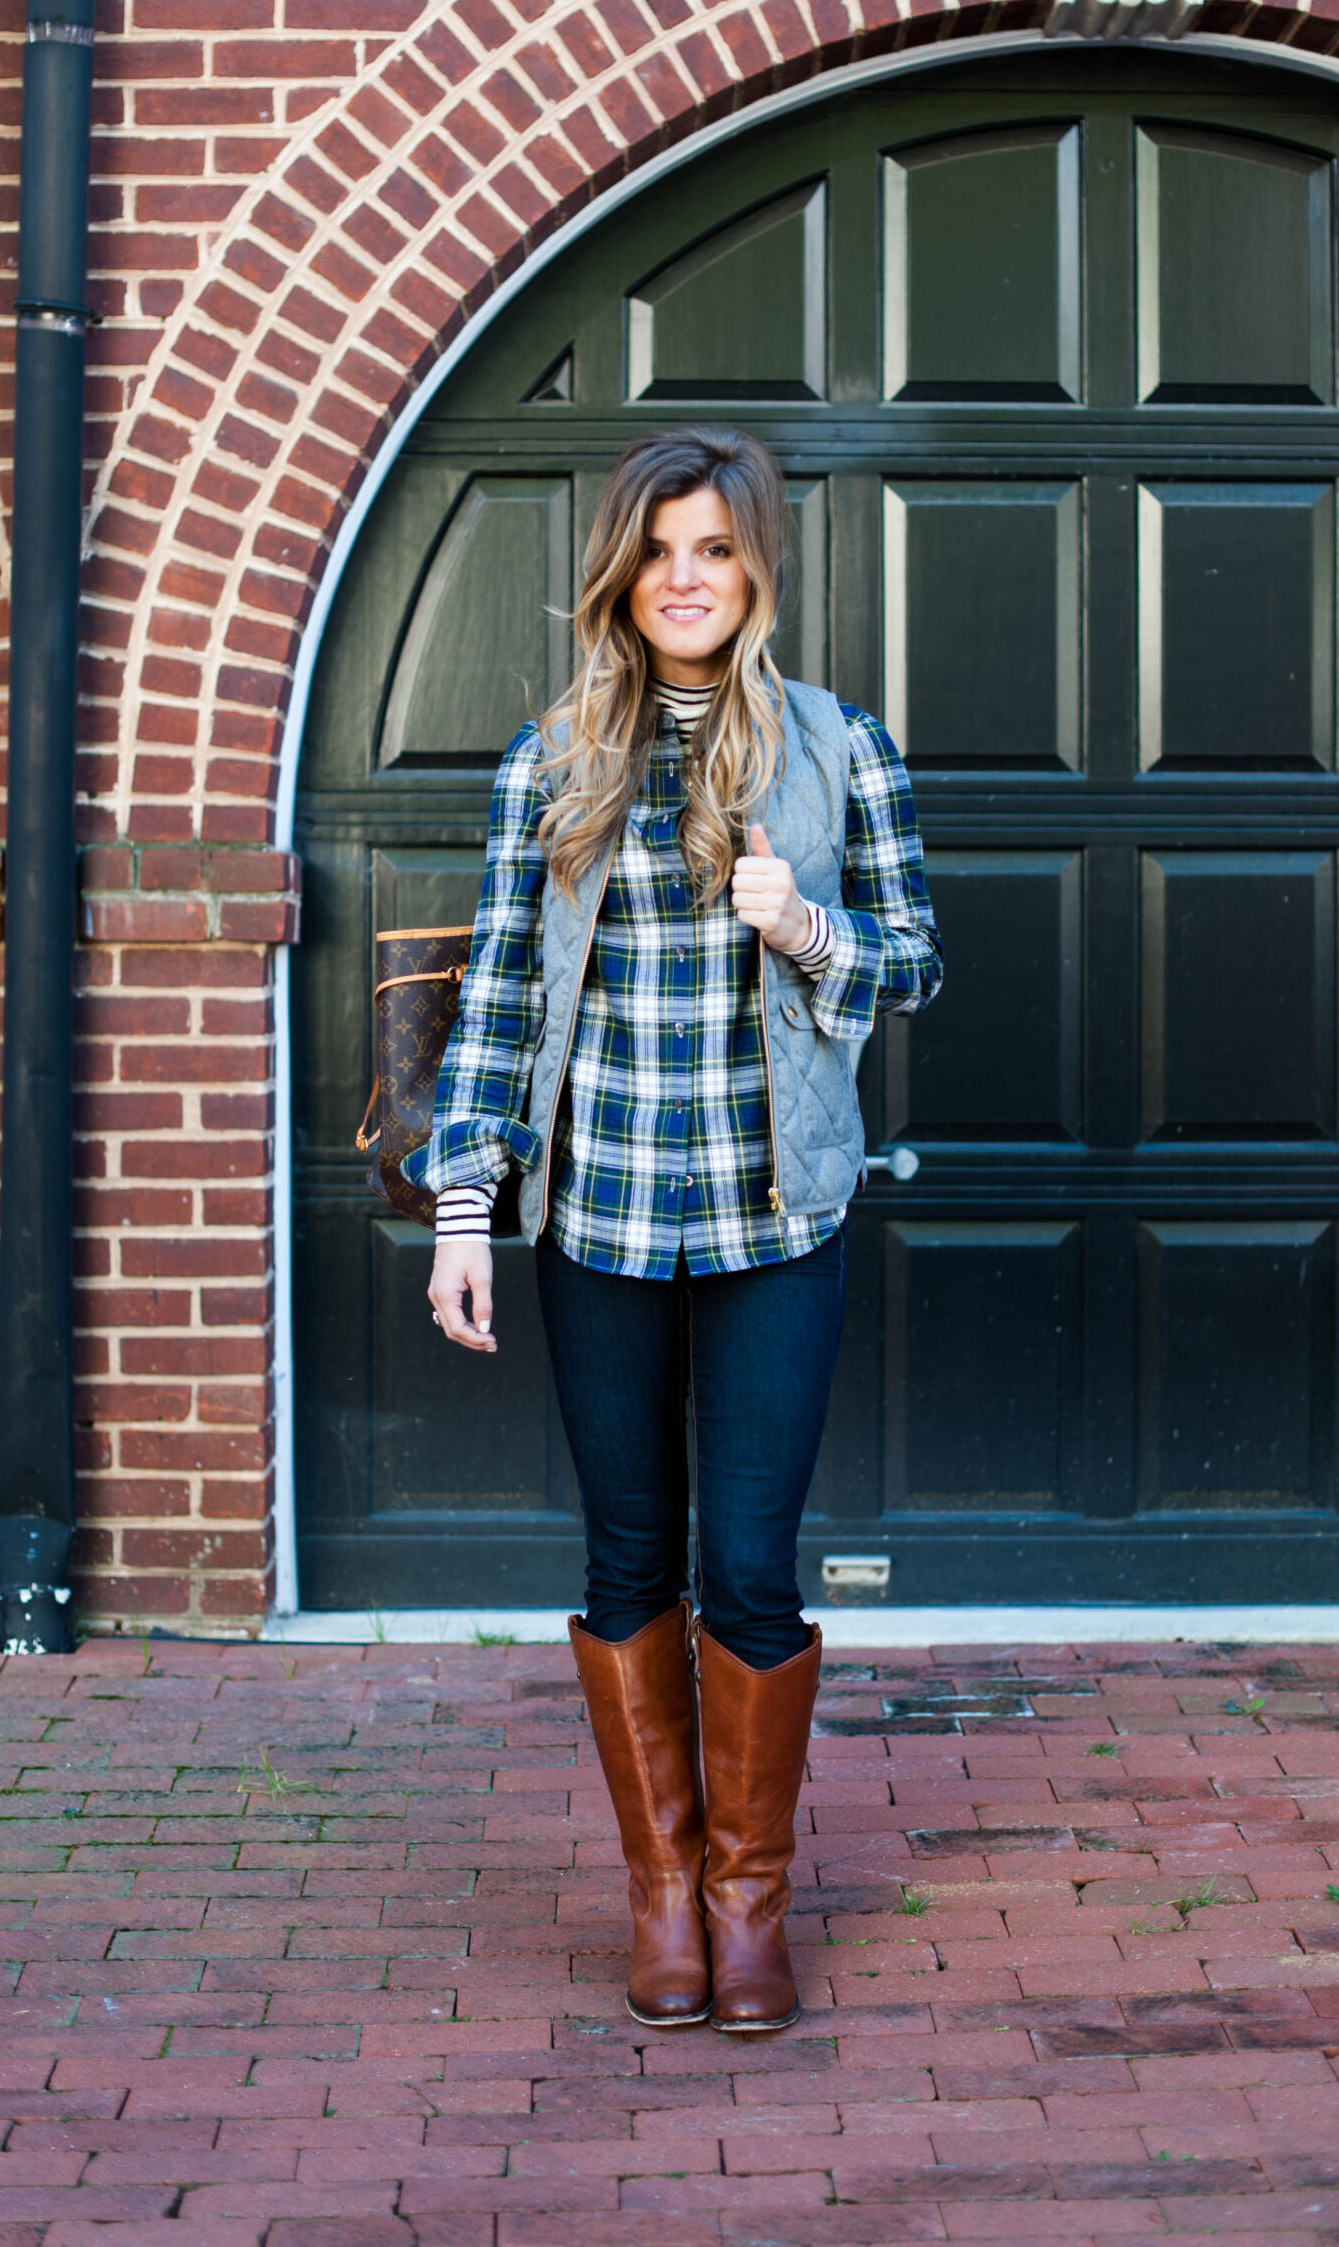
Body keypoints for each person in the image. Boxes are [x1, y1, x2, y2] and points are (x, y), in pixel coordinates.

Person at [414, 426, 942, 2035]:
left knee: (754, 1570)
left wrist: (807, 926)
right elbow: (498, 1001)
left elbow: (915, 961)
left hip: (780, 1214)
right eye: (657, 552)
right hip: (603, 1220)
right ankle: (660, 1892)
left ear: (755, 567)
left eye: (712, 549)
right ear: (620, 578)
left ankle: (748, 1898)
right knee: (630, 1558)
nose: (685, 579)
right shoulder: (550, 761)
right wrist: (462, 1209)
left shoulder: (842, 751)